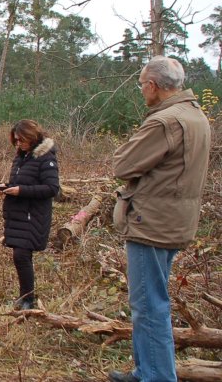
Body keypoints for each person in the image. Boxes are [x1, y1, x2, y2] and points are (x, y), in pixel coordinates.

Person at [108, 57, 211, 382]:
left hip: (152, 223)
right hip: (175, 220)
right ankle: (146, 371)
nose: (141, 91)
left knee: (149, 305)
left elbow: (122, 166)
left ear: (152, 85)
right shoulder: (196, 116)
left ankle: (157, 376)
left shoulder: (164, 122)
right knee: (151, 300)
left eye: (141, 85)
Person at [0, 120, 60, 310]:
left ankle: (28, 300)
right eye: (15, 141)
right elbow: (20, 182)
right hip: (19, 214)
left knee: (22, 255)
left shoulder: (45, 157)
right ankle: (25, 297)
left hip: (34, 216)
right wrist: (6, 188)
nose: (18, 144)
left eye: (21, 140)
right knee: (20, 256)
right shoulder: (21, 157)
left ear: (31, 138)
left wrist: (21, 191)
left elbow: (52, 188)